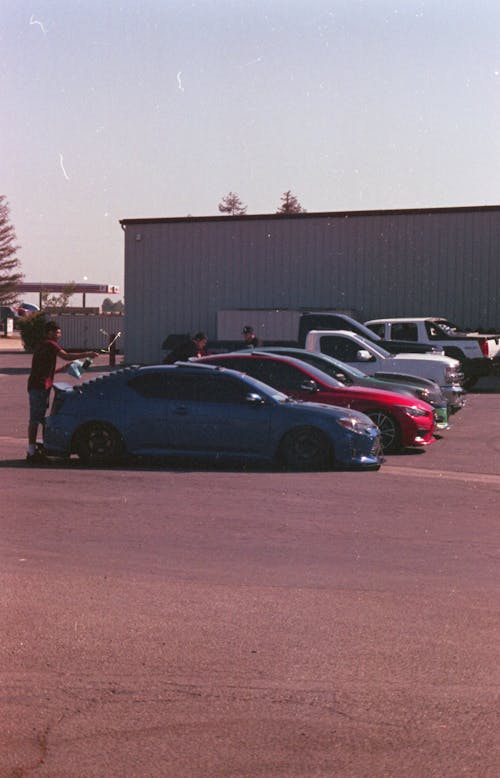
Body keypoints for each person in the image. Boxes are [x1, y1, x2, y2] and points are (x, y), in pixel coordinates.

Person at [27, 321, 98, 464]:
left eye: (59, 332)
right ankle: (31, 452)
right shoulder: (50, 344)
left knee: (39, 418)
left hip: (39, 385)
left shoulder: (42, 345)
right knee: (36, 418)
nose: (59, 335)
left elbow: (45, 369)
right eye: (56, 332)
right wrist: (87, 354)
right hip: (39, 387)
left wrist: (63, 369)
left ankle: (35, 449)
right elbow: (66, 355)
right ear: (49, 333)